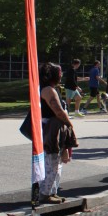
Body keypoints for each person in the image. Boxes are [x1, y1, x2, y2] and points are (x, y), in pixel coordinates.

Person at [39, 62, 77, 203]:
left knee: (57, 162)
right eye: (59, 73)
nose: (61, 76)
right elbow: (59, 111)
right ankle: (45, 193)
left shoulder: (51, 89)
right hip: (50, 130)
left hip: (54, 129)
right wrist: (70, 125)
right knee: (51, 162)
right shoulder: (48, 90)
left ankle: (52, 191)